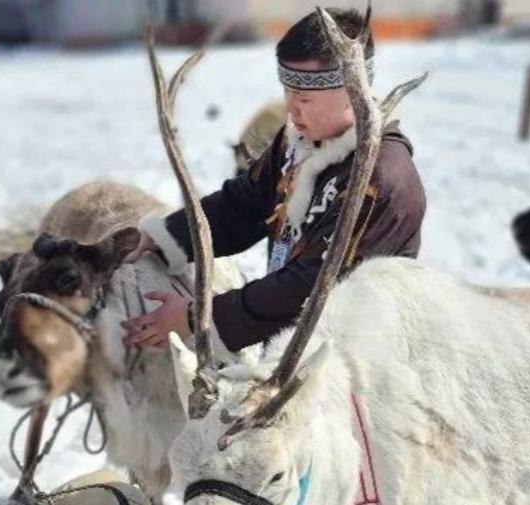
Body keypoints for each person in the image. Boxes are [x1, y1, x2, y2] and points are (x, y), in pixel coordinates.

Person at [121, 8, 426, 352]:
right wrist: (167, 237)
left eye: (305, 98)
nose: (292, 110)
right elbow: (245, 205)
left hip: (353, 367)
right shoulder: (298, 142)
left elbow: (314, 285)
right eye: (288, 92)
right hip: (290, 352)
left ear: (353, 91)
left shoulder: (378, 178)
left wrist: (198, 317)